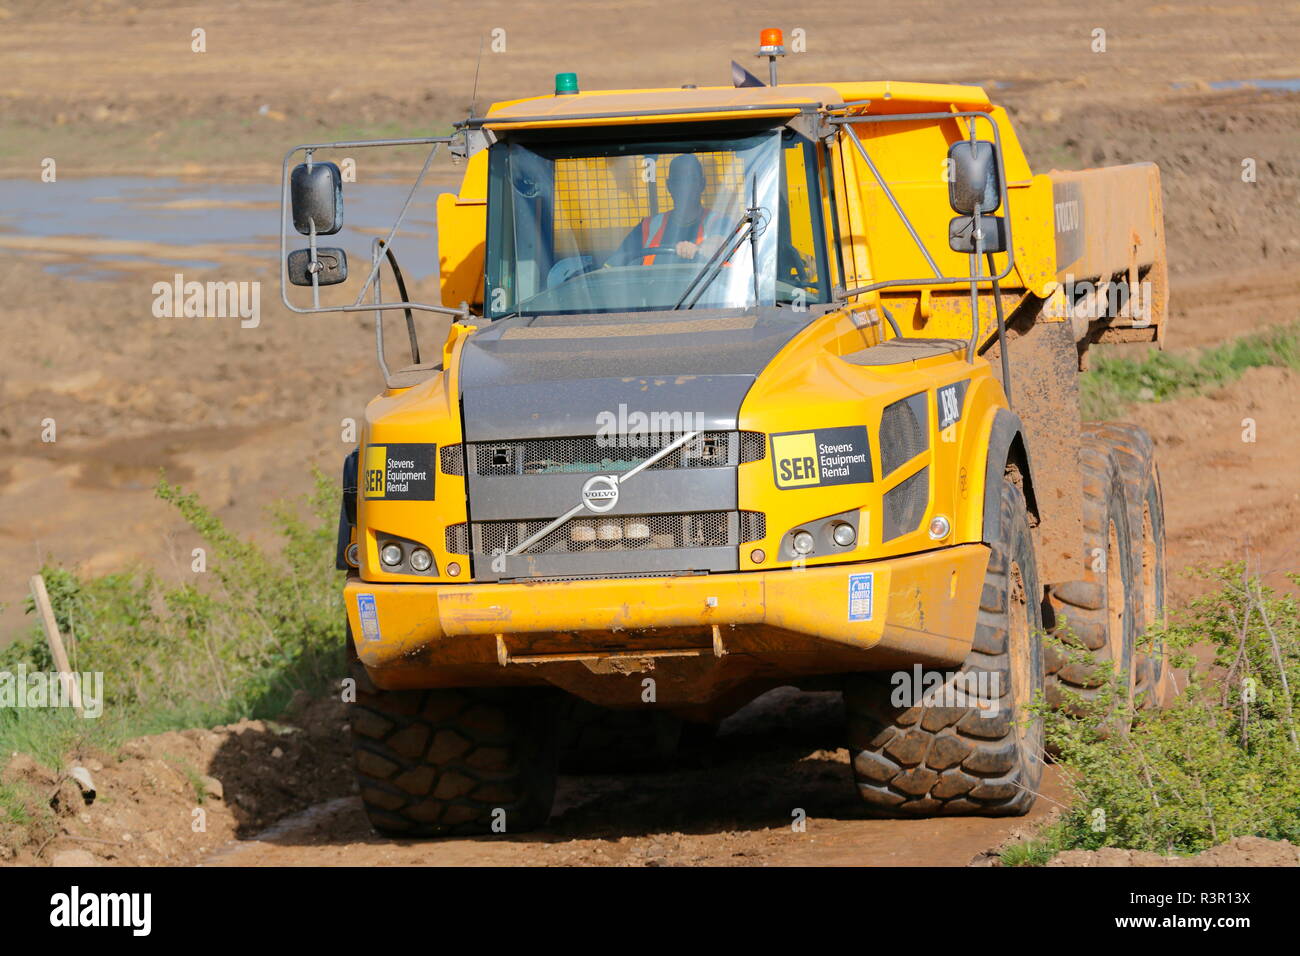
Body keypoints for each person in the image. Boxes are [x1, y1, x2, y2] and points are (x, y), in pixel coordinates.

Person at [609, 154, 729, 265]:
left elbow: (720, 243)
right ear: (669, 186)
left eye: (691, 179)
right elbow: (614, 265)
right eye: (679, 180)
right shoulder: (648, 227)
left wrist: (701, 250)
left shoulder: (719, 222)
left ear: (702, 184)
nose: (685, 186)